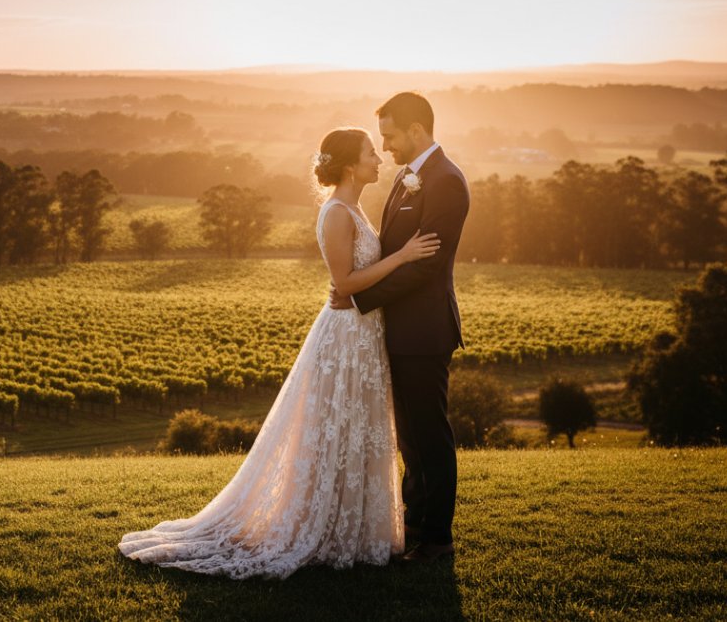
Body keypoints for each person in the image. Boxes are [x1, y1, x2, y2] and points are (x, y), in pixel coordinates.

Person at [117, 127, 441, 580]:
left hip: (364, 334)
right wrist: (403, 256)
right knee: (332, 429)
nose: (379, 158)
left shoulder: (355, 207)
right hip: (345, 336)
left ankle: (354, 529)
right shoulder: (335, 213)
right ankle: (317, 527)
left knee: (355, 429)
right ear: (350, 165)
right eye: (371, 152)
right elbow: (345, 283)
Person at [330, 91, 469, 564]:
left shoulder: (446, 181)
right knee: (410, 436)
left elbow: (424, 266)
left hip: (425, 331)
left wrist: (359, 295)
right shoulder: (410, 177)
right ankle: (413, 525)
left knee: (429, 434)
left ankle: (437, 540)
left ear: (416, 131)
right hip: (399, 329)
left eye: (389, 135)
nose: (385, 146)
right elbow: (393, 253)